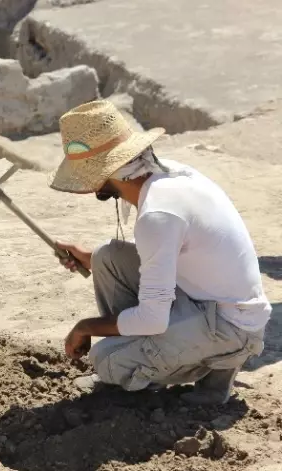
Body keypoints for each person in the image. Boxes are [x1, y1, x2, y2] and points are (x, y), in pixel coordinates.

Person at [48, 99, 271, 405]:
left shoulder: (157, 215)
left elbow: (153, 318)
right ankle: (162, 356)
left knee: (106, 359)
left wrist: (85, 327)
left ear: (107, 172)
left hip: (231, 327)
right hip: (217, 305)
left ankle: (214, 369)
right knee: (107, 258)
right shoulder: (170, 174)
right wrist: (90, 260)